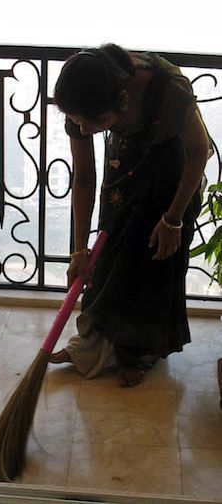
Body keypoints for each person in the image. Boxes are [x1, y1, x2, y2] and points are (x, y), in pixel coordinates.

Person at [49, 43, 212, 387]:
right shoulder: (84, 97)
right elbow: (84, 177)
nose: (87, 129)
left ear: (122, 98)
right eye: (79, 122)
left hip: (173, 178)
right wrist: (79, 250)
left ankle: (138, 353)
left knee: (154, 264)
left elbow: (200, 151)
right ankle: (89, 347)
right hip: (123, 172)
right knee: (105, 262)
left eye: (97, 123)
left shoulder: (167, 89)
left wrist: (173, 219)